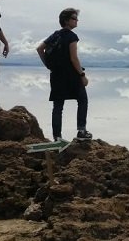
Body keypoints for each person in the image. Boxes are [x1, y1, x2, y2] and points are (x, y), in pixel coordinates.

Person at [36, 7, 92, 141]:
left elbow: (39, 49)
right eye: (74, 18)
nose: (77, 20)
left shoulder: (55, 35)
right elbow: (74, 58)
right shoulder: (72, 36)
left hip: (56, 75)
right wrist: (82, 75)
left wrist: (48, 65)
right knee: (82, 100)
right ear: (66, 20)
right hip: (71, 75)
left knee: (58, 106)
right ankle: (81, 131)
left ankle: (57, 137)